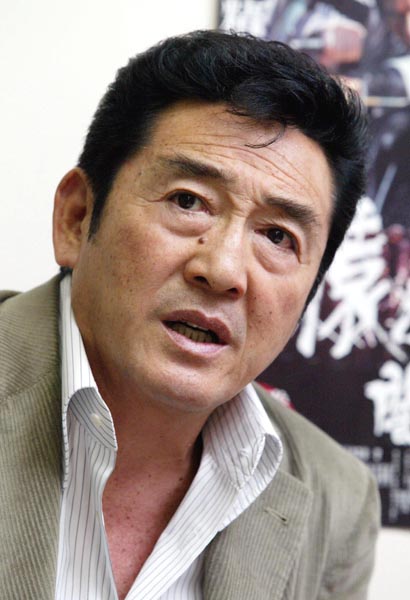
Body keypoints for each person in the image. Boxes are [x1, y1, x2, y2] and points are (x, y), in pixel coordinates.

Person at [0, 30, 380, 600]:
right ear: (77, 218)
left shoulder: (338, 503)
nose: (223, 270)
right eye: (188, 201)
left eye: (278, 236)